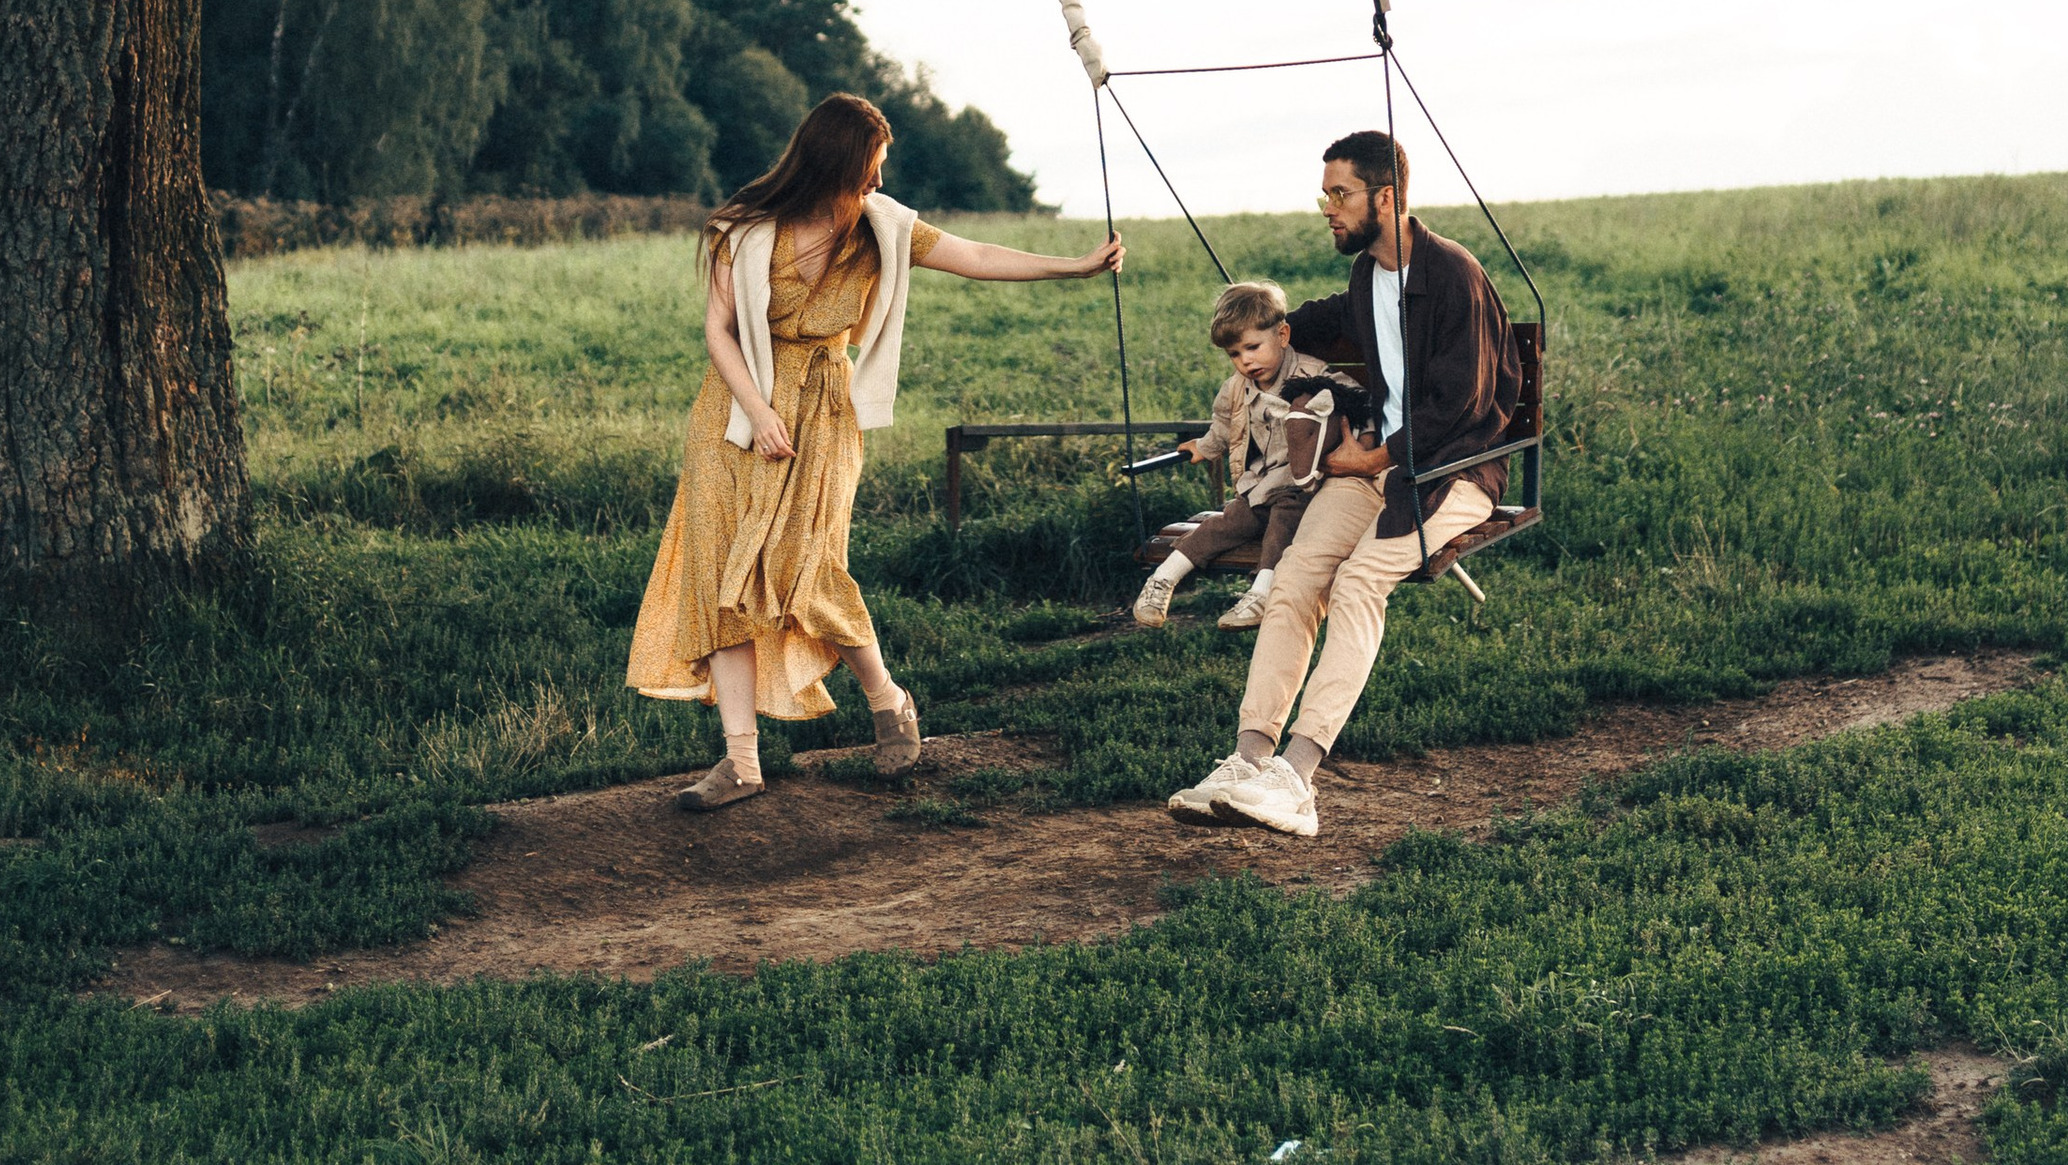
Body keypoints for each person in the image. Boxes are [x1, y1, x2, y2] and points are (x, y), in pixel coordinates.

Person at [628, 90, 1123, 809]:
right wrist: (759, 410)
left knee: (807, 568)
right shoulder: (741, 227)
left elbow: (976, 253)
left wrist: (1074, 265)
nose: (879, 180)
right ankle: (740, 762)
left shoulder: (882, 229)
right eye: (872, 165)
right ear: (836, 159)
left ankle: (889, 700)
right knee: (720, 574)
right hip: (735, 415)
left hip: (825, 410)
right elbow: (719, 330)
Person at [1165, 131, 1525, 837]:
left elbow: (1460, 403)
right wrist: (1270, 329)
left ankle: (1297, 779)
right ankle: (1248, 760)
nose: (1327, 206)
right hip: (1382, 468)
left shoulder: (1453, 275)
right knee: (1297, 575)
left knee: (1359, 581)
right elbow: (1329, 317)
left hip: (1452, 470)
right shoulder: (1369, 274)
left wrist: (1370, 459)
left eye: (1340, 193)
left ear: (1386, 197)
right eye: (1324, 193)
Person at [1129, 280, 1369, 636]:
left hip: (1304, 485)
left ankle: (1260, 593)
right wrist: (1205, 447)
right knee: (1226, 522)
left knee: (1282, 524)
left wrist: (1363, 439)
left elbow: (1355, 398)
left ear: (1283, 334)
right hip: (1260, 483)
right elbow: (1224, 426)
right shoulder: (1235, 389)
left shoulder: (1311, 373)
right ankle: (1163, 579)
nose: (1246, 361)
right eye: (1235, 354)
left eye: (1253, 348)